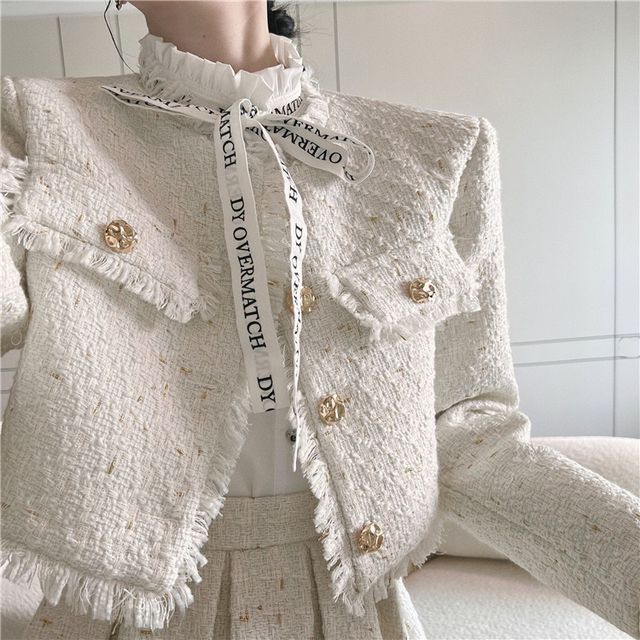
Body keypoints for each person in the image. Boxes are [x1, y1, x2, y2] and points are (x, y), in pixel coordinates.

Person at [1, 1, 638, 639]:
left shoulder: (438, 154)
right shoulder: (35, 129)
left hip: (353, 614)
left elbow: (470, 436)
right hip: (118, 616)